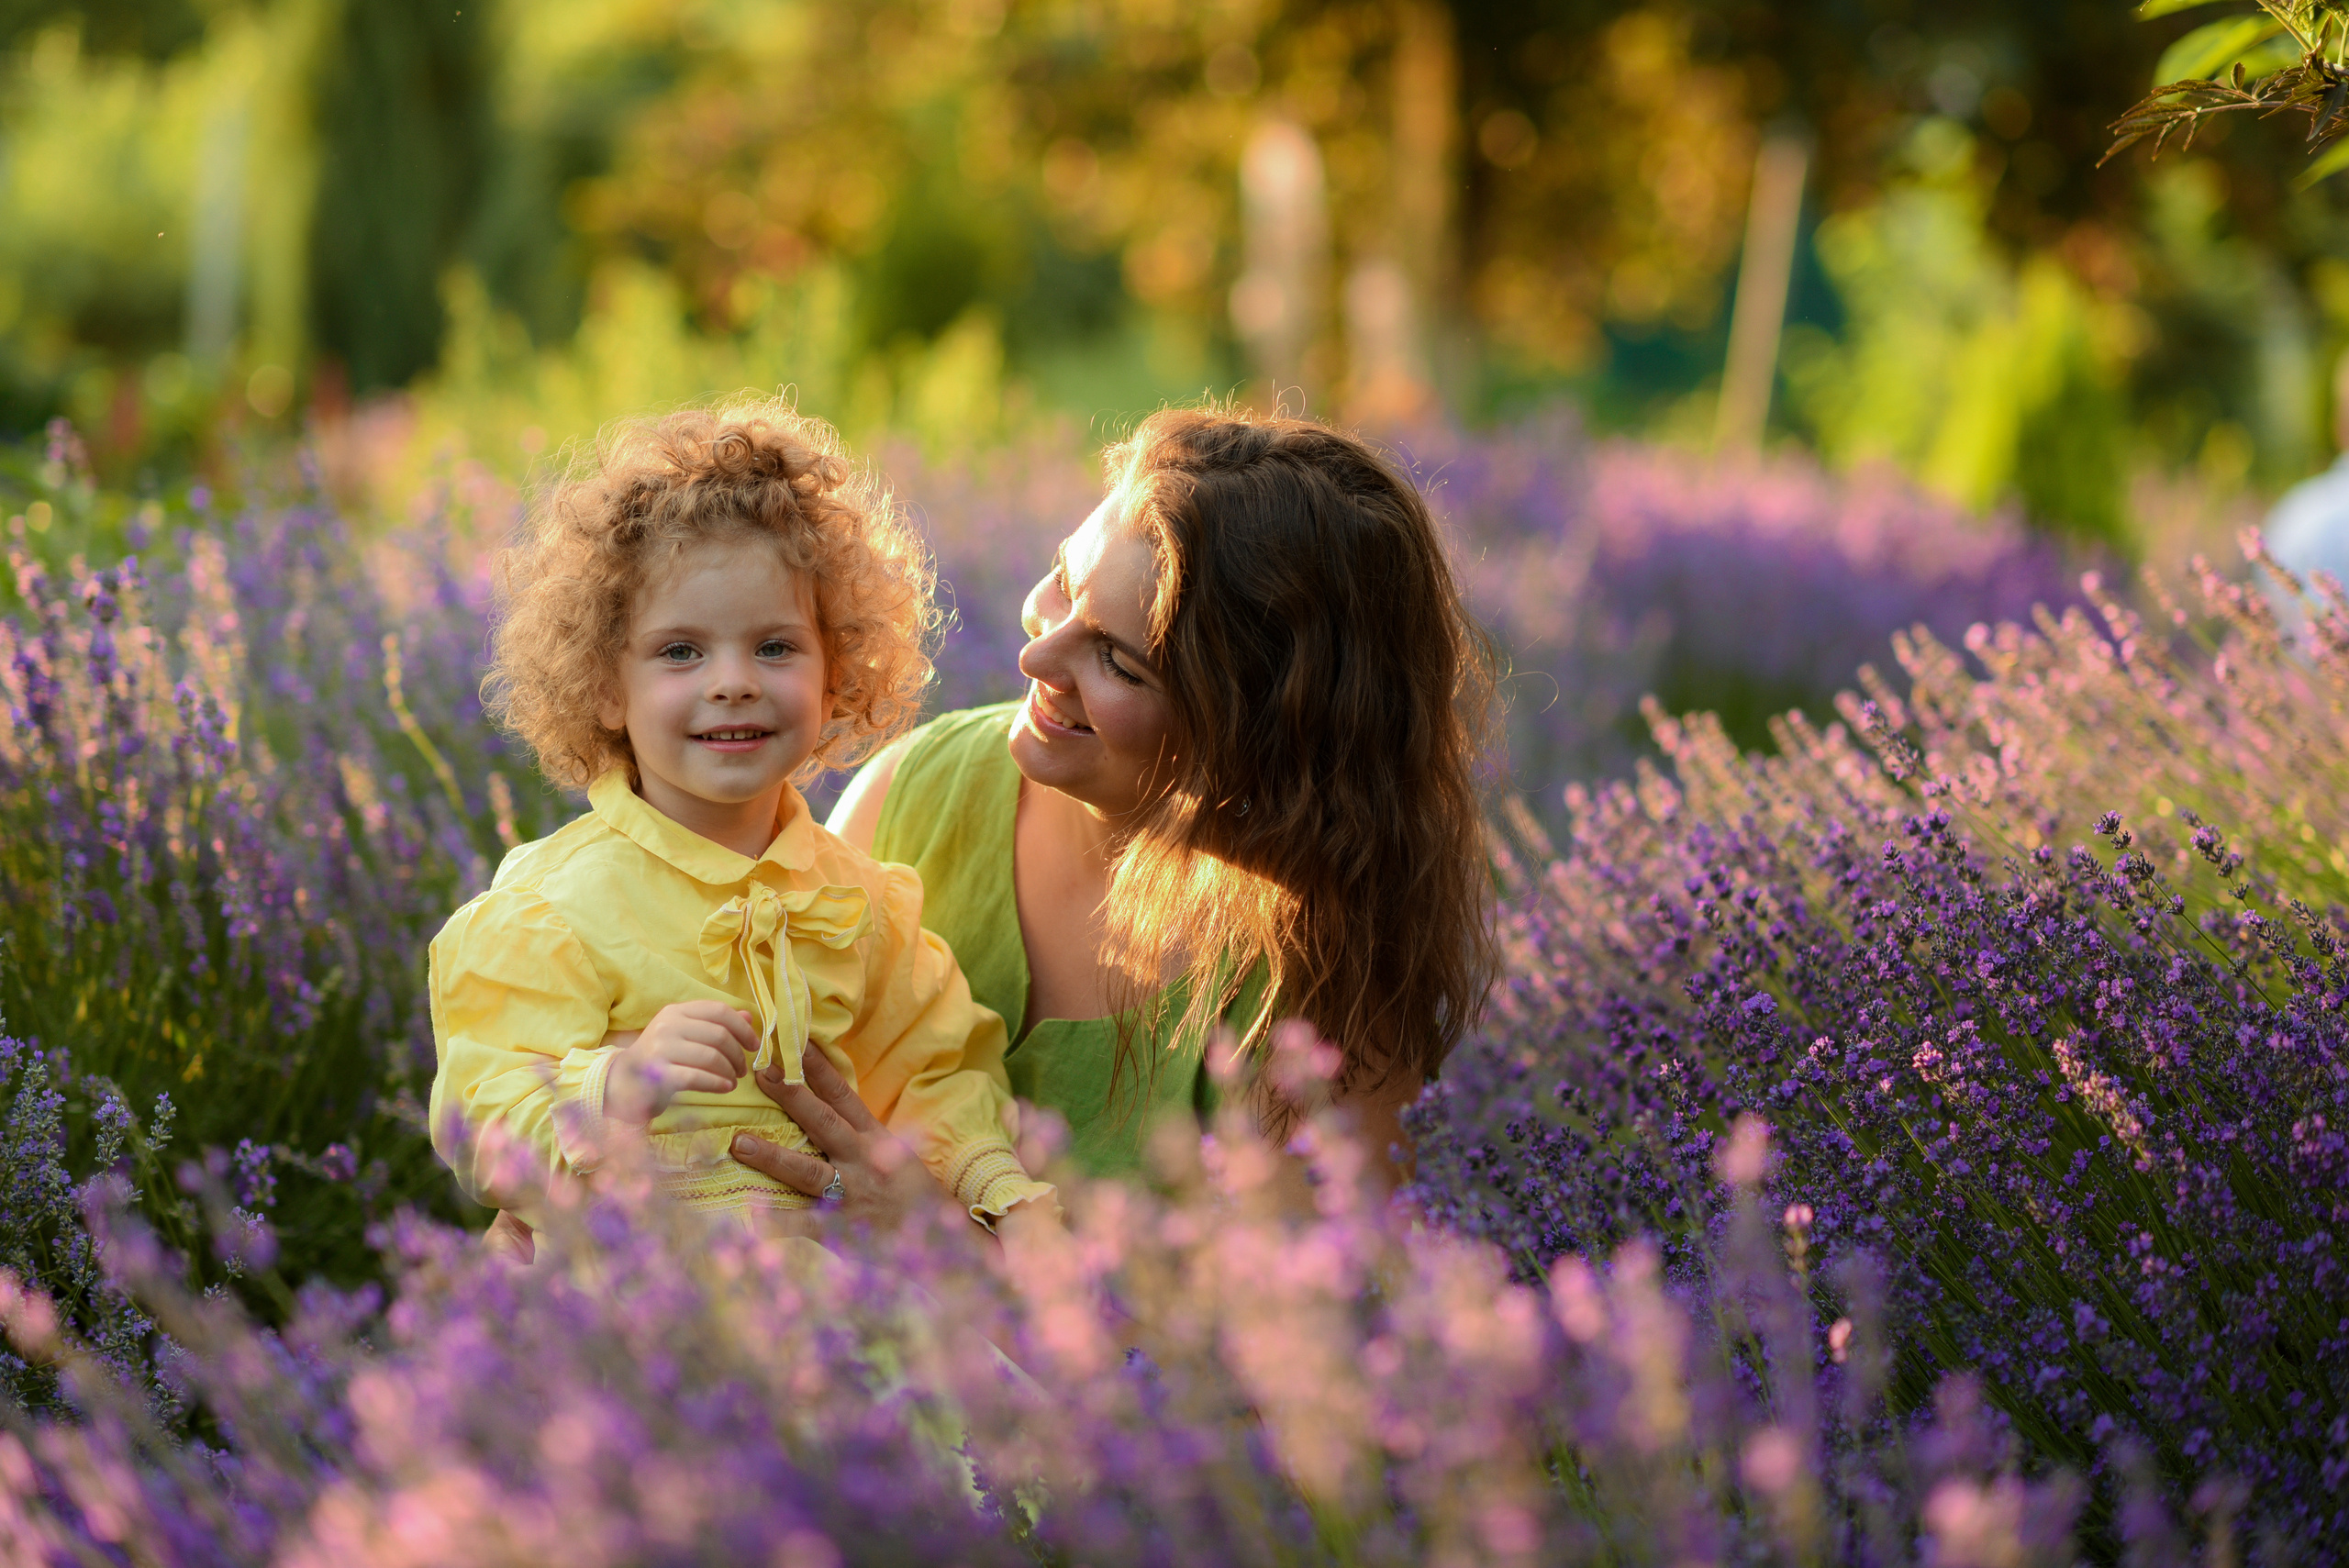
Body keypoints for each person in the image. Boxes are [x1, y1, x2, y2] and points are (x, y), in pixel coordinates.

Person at [721, 406, 1499, 1225]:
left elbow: (1276, 1334)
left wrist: (941, 1245)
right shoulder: (914, 795)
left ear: (1257, 733)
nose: (1034, 657)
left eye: (1117, 660)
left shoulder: (1326, 980)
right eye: (1063, 580)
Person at [429, 401, 1053, 1243]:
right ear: (607, 687)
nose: (732, 681)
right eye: (680, 651)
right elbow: (482, 1113)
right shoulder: (557, 910)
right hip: (635, 1301)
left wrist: (993, 1189)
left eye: (775, 647)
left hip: (825, 1297)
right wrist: (615, 1084)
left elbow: (932, 1070)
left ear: (836, 676)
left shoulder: (856, 903)